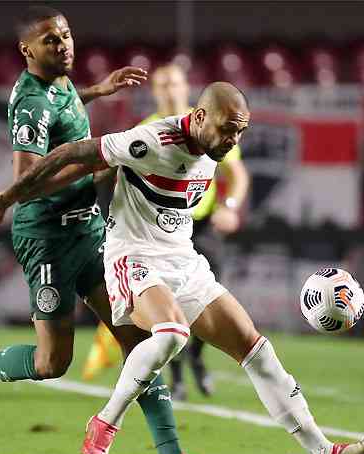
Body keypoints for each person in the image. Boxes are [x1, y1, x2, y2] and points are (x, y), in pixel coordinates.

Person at [0, 81, 364, 454]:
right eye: (227, 128)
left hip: (184, 260)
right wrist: (8, 197)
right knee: (172, 333)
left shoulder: (215, 145)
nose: (233, 138)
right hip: (133, 257)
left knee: (257, 350)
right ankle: (106, 421)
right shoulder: (151, 141)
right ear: (199, 117)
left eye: (240, 130)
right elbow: (74, 153)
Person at [0, 7, 227, 454]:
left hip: (91, 232)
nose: (64, 45)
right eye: (50, 40)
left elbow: (64, 107)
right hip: (47, 237)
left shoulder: (60, 84)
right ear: (27, 51)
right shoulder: (30, 103)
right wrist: (95, 168)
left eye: (66, 35)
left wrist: (97, 91)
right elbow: (28, 178)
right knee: (54, 363)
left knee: (140, 343)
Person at [82, 64, 251, 400]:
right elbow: (109, 169)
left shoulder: (217, 124)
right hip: (156, 233)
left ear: (187, 87)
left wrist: (230, 205)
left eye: (175, 83)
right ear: (155, 92)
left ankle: (197, 360)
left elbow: (238, 173)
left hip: (200, 225)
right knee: (168, 308)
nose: (170, 89)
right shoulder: (149, 131)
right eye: (163, 85)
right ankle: (176, 376)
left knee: (204, 297)